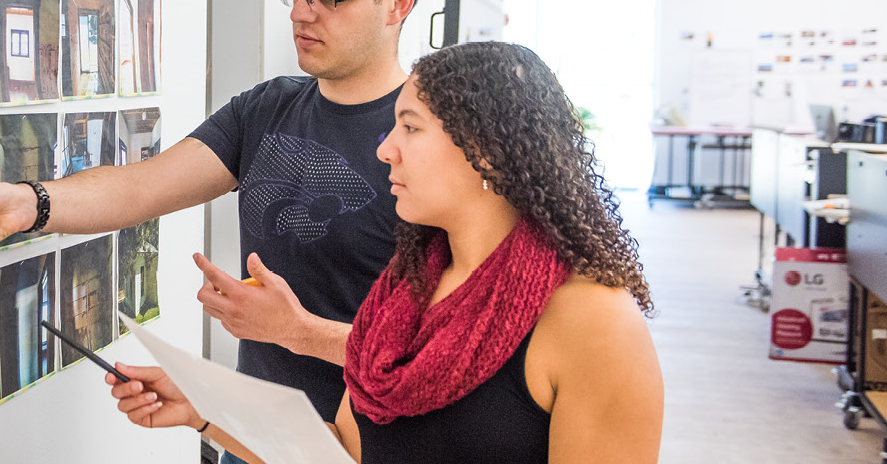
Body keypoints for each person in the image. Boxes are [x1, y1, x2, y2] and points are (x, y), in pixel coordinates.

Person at [0, 0, 428, 438]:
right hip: (248, 437)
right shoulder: (268, 108)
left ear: (397, 2)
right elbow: (142, 186)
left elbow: (447, 349)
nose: (301, 12)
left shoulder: (431, 144)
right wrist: (29, 202)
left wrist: (298, 332)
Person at [106, 41, 665, 464]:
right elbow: (345, 454)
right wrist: (209, 409)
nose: (385, 148)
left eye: (410, 128)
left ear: (488, 155)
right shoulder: (407, 288)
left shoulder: (594, 322)